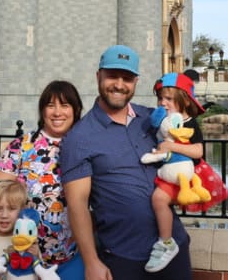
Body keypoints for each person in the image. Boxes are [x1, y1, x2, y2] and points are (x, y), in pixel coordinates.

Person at [59, 45, 193, 280]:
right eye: (112, 76)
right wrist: (91, 262)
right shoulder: (79, 137)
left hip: (173, 248)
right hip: (125, 257)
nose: (119, 84)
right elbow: (77, 204)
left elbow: (187, 135)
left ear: (136, 82)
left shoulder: (151, 120)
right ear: (98, 76)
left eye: (127, 78)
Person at [0, 81, 84, 280]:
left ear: (75, 110)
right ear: (42, 111)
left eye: (65, 105)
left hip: (70, 257)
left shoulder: (84, 148)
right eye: (51, 105)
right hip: (22, 260)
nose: (57, 112)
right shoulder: (21, 147)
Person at [144, 72, 228, 272]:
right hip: (168, 170)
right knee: (157, 201)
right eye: (160, 98)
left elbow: (198, 152)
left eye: (169, 99)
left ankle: (166, 243)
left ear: (183, 100)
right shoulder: (162, 121)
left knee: (158, 199)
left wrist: (171, 147)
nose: (163, 103)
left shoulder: (190, 123)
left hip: (185, 174)